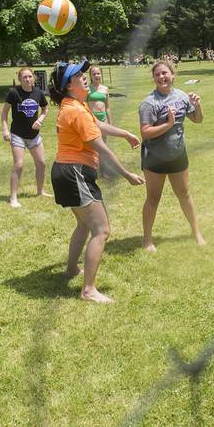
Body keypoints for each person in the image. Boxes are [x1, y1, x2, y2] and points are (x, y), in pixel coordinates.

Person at [49, 61, 144, 304]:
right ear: (68, 85)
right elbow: (101, 148)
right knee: (101, 230)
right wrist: (127, 174)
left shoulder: (76, 105)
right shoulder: (77, 110)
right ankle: (88, 290)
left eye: (83, 74)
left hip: (68, 171)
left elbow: (98, 125)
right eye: (77, 75)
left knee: (83, 225)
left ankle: (71, 269)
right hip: (75, 173)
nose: (83, 77)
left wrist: (124, 133)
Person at [139, 60, 205, 253]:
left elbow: (198, 120)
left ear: (173, 75)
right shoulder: (149, 103)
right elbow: (145, 132)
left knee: (184, 194)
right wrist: (168, 124)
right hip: (154, 158)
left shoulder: (183, 97)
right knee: (153, 198)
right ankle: (147, 239)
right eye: (157, 74)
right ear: (154, 79)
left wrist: (197, 105)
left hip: (178, 155)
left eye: (164, 73)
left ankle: (196, 232)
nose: (161, 77)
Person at [1, 67, 51, 207]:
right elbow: (4, 112)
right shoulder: (14, 93)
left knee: (41, 163)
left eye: (30, 76)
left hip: (34, 135)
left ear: (34, 78)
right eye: (25, 77)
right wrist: (5, 129)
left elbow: (45, 109)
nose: (28, 79)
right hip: (18, 134)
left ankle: (40, 191)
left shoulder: (38, 93)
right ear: (20, 79)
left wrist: (40, 119)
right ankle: (13, 198)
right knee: (19, 164)